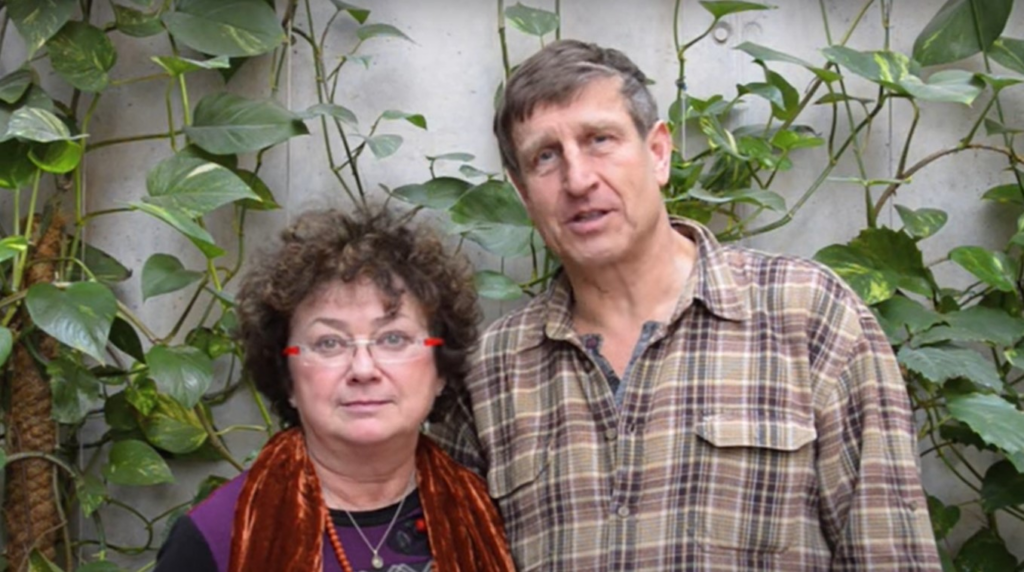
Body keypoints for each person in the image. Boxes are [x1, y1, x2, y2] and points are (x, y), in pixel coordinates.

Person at [429, 39, 942, 570]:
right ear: (522, 193)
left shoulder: (809, 318)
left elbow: (890, 555)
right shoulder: (488, 373)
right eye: (546, 157)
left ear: (658, 153)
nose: (578, 180)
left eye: (600, 140)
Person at [156, 209, 515, 572]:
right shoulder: (216, 537)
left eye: (393, 338)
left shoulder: (486, 519)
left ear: (440, 369)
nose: (363, 369)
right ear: (286, 377)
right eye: (329, 343)